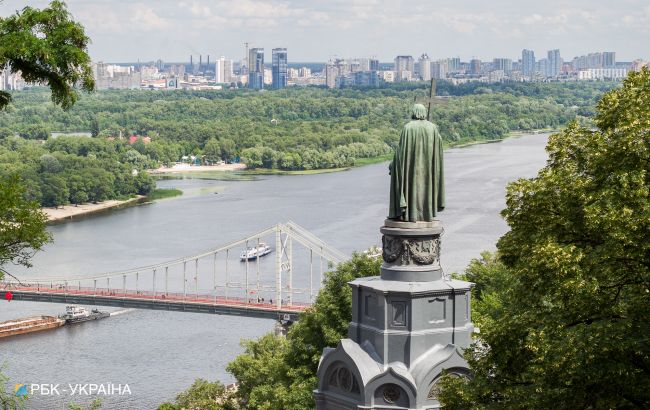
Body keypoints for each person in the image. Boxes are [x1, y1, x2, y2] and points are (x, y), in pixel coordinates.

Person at [388, 103, 445, 222]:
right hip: (428, 170)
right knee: (426, 187)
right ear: (423, 112)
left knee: (410, 185)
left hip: (411, 169)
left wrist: (393, 165)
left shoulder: (408, 128)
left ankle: (409, 214)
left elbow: (401, 153)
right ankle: (426, 214)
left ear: (414, 112)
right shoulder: (432, 128)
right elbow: (438, 146)